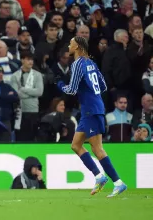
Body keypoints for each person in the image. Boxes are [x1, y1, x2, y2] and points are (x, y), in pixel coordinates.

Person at [56, 36, 127, 197]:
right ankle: (99, 176)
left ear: (78, 46)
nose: (69, 45)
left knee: (97, 148)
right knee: (75, 145)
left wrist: (59, 84)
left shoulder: (78, 64)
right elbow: (103, 86)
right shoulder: (92, 64)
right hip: (93, 107)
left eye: (71, 43)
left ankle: (118, 182)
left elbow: (72, 89)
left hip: (90, 110)